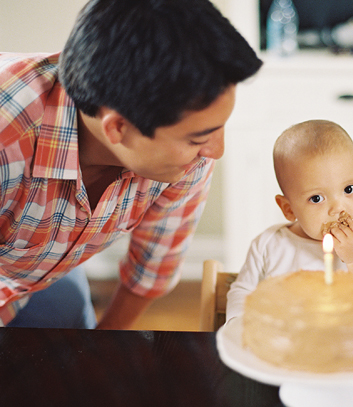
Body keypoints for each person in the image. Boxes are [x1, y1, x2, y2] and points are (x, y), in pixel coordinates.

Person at [0, 0, 262, 329]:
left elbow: (151, 271)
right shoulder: (7, 141)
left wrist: (100, 353)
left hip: (33, 277)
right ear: (118, 128)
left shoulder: (187, 155)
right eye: (198, 139)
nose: (216, 151)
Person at [226, 119, 353, 319]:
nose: (339, 208)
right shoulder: (269, 245)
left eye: (348, 189)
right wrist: (238, 325)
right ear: (288, 208)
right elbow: (242, 292)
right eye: (316, 198)